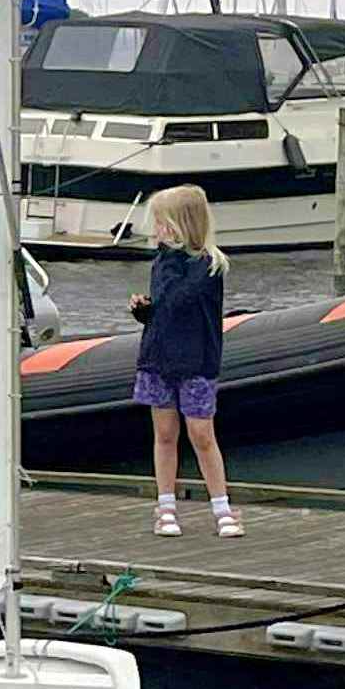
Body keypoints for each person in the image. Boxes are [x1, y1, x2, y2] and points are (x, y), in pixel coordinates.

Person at [130, 183, 237, 538]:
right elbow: (165, 310)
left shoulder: (207, 265)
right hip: (159, 358)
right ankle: (165, 504)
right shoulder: (163, 263)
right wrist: (145, 312)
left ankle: (221, 505)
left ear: (177, 226)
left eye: (161, 223)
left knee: (201, 432)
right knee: (164, 433)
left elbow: (181, 300)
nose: (155, 230)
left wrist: (169, 267)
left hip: (196, 361)